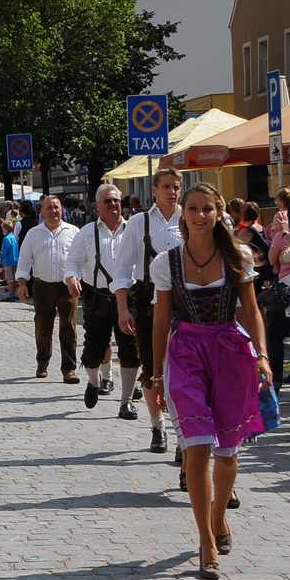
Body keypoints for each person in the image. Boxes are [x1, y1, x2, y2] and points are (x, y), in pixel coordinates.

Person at [152, 183, 268, 580]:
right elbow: (160, 321)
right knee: (196, 447)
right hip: (186, 355)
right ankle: (206, 542)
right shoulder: (167, 262)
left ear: (220, 213)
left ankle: (218, 516)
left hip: (230, 351)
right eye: (193, 209)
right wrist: (155, 374)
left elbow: (251, 312)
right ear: (182, 213)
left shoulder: (238, 257)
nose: (199, 216)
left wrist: (263, 355)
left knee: (227, 452)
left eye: (207, 209)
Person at [115, 167, 185, 452]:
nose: (172, 192)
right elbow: (121, 268)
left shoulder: (190, 219)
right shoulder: (138, 223)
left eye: (176, 186)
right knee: (151, 367)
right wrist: (123, 308)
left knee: (183, 370)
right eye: (166, 186)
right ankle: (158, 427)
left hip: (184, 300)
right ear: (154, 190)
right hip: (146, 299)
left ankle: (185, 435)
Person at [69, 184, 139, 411]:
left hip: (128, 297)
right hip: (97, 297)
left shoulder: (133, 229)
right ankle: (94, 381)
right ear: (98, 206)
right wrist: (71, 277)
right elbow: (72, 261)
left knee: (130, 349)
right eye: (108, 201)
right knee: (92, 352)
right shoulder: (88, 232)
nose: (114, 205)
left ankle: (126, 402)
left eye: (117, 200)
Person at [15, 195, 82, 384]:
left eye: (57, 207)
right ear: (41, 211)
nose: (53, 211)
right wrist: (21, 284)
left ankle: (69, 369)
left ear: (62, 209)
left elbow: (80, 259)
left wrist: (77, 280)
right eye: (49, 208)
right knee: (43, 327)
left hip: (66, 286)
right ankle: (42, 362)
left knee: (69, 327)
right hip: (42, 287)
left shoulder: (73, 232)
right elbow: (25, 260)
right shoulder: (34, 234)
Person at [0, 219, 20, 301]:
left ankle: (11, 295)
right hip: (15, 259)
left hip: (8, 260)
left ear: (5, 229)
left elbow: (4, 250)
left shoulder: (6, 238)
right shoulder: (13, 237)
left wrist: (1, 257)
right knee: (15, 278)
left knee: (10, 279)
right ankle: (14, 293)